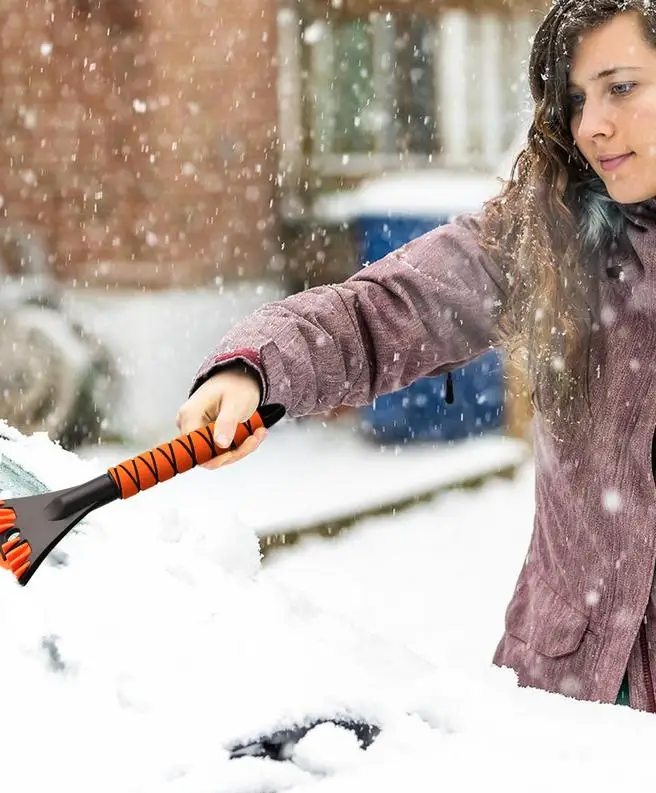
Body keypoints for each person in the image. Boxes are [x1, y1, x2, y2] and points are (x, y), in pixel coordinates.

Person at [176, 0, 656, 712]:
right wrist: (257, 367)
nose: (592, 125)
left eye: (621, 87)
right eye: (576, 100)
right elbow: (386, 310)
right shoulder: (553, 232)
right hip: (565, 694)